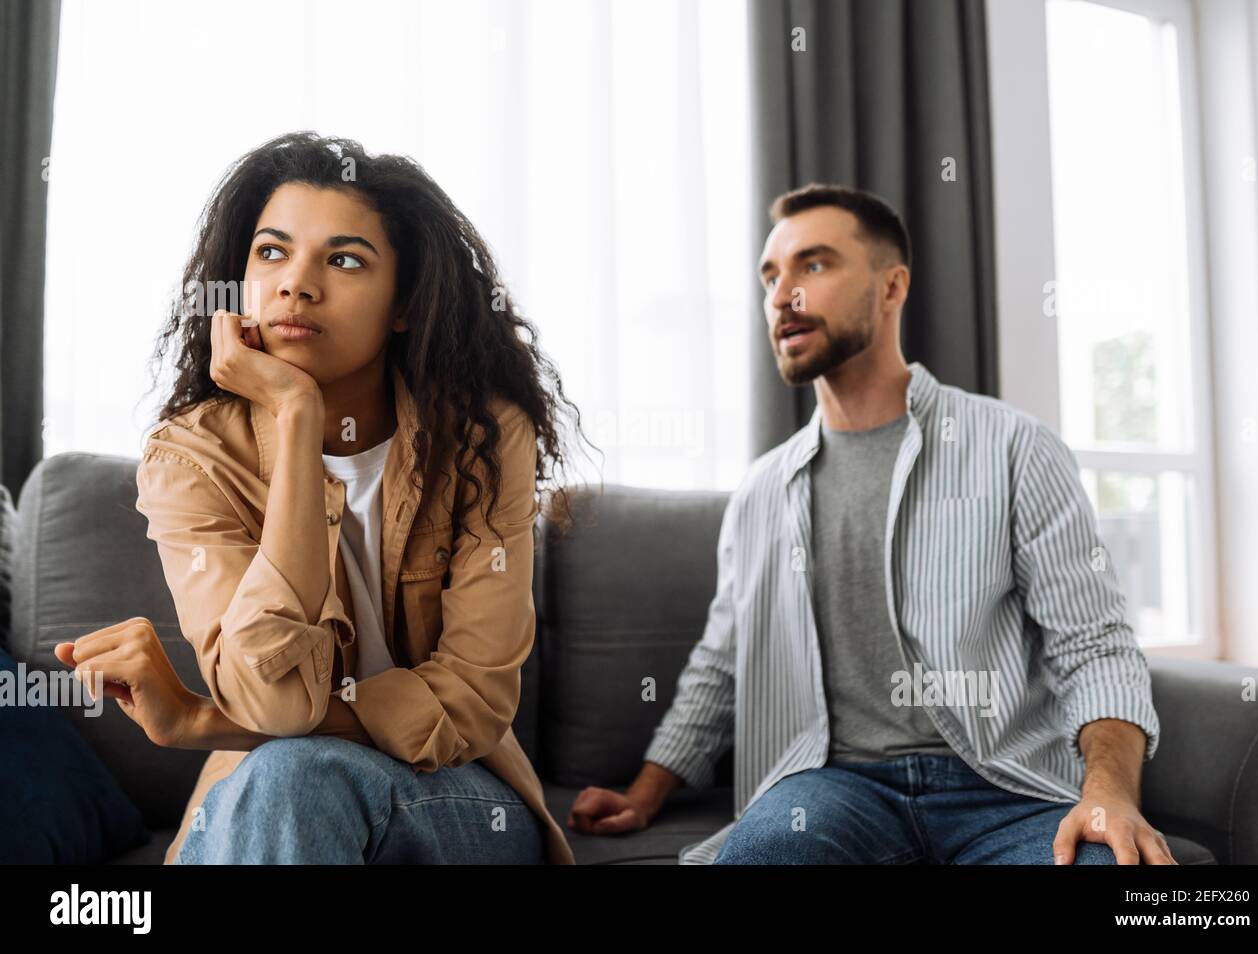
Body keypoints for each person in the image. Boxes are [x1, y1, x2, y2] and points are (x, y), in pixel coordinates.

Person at [567, 183, 1176, 866]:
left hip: (1008, 790)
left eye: (814, 265)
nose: (781, 295)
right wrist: (646, 792)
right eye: (771, 275)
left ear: (892, 287)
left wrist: (1110, 793)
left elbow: (1094, 645)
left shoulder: (1015, 448)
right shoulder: (763, 491)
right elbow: (723, 664)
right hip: (831, 788)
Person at [55, 131, 589, 864]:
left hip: (452, 793)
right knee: (287, 778)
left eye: (343, 260)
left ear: (403, 304)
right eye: (271, 252)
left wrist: (203, 722)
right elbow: (276, 700)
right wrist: (297, 417)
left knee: (295, 776)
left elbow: (472, 702)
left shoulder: (485, 439)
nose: (296, 283)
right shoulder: (192, 456)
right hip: (263, 797)